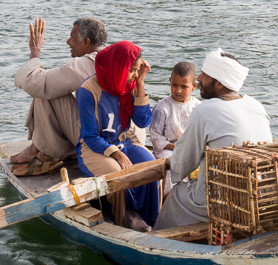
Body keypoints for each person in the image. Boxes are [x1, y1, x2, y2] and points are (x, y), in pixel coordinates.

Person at [154, 48, 273, 231]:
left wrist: (172, 162)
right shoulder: (256, 105)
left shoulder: (205, 110)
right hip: (259, 195)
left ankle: (158, 238)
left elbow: (181, 164)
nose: (199, 78)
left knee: (176, 193)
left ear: (218, 83)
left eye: (205, 75)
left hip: (220, 201)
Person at [10, 16, 107, 177]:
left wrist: (35, 52)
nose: (68, 41)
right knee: (49, 87)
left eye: (72, 37)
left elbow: (34, 83)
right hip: (112, 133)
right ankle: (39, 147)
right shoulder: (111, 58)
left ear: (86, 42)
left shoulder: (89, 63)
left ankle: (44, 151)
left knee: (45, 91)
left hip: (97, 139)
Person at [76, 40, 159, 230]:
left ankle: (150, 220)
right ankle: (125, 220)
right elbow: (89, 135)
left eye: (138, 70)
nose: (135, 74)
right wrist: (116, 153)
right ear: (119, 67)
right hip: (95, 149)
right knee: (118, 174)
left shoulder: (127, 86)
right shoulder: (88, 90)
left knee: (153, 168)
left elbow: (142, 122)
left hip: (125, 141)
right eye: (133, 70)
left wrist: (140, 84)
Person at [147, 61, 199, 161]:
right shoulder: (162, 107)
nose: (178, 90)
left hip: (190, 149)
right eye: (175, 85)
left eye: (184, 87)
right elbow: (155, 135)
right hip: (167, 150)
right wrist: (174, 147)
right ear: (170, 81)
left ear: (194, 86)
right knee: (172, 162)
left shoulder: (197, 107)